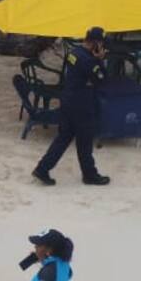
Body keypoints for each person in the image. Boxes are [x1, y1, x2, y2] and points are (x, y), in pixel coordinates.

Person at [33, 27, 111, 187]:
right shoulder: (89, 60)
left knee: (63, 138)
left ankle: (42, 168)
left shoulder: (74, 53)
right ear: (96, 43)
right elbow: (102, 80)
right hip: (82, 105)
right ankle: (90, 174)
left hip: (68, 100)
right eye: (101, 43)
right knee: (85, 141)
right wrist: (99, 60)